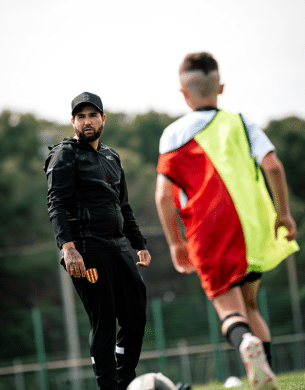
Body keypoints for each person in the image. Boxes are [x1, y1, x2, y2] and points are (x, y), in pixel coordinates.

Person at [155, 52, 298, 389]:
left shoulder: (172, 135)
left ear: (183, 93)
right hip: (252, 228)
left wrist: (176, 243)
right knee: (250, 304)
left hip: (207, 233)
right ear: (220, 87)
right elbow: (273, 166)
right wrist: (283, 214)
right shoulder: (242, 122)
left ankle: (245, 344)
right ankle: (266, 374)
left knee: (229, 309)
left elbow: (163, 196)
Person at [44, 92, 151, 390]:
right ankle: (109, 386)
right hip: (87, 251)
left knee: (135, 319)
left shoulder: (111, 156)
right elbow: (56, 205)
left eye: (92, 115)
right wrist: (68, 249)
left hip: (118, 248)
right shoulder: (64, 154)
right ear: (73, 122)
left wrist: (139, 243)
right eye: (81, 116)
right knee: (103, 324)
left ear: (103, 119)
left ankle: (124, 381)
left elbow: (123, 206)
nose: (87, 121)